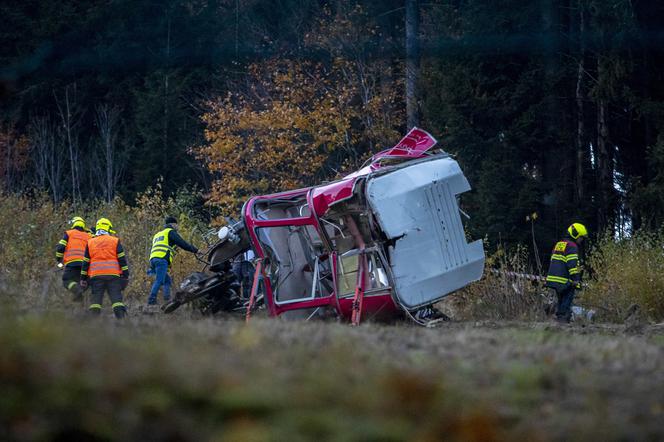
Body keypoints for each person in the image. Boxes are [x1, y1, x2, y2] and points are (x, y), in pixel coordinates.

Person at [80, 218, 129, 318]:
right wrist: (125, 275)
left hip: (96, 276)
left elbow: (85, 262)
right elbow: (122, 260)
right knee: (116, 300)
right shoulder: (115, 241)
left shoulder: (90, 242)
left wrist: (83, 278)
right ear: (108, 228)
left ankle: (94, 323)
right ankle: (121, 320)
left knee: (96, 301)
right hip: (113, 276)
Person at [147, 216, 199, 306]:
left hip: (153, 259)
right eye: (176, 225)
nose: (177, 227)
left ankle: (167, 299)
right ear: (173, 224)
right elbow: (183, 244)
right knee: (159, 280)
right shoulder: (170, 232)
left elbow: (166, 246)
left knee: (167, 281)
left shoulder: (158, 234)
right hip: (161, 259)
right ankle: (151, 301)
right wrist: (196, 250)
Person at [545, 222, 588, 323]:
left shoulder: (559, 244)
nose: (581, 240)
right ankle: (562, 318)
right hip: (564, 279)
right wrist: (576, 279)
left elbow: (553, 260)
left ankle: (557, 314)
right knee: (567, 299)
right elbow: (572, 264)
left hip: (553, 278)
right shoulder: (572, 246)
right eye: (581, 237)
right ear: (575, 234)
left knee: (561, 300)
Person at [55, 216, 92, 301]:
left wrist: (59, 260)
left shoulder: (69, 233)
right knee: (83, 283)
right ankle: (78, 300)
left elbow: (60, 247)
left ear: (73, 223)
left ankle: (77, 291)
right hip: (85, 265)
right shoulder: (89, 236)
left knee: (66, 280)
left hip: (72, 263)